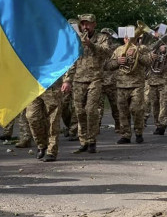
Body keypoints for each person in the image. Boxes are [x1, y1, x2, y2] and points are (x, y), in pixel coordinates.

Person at [62, 13, 110, 153]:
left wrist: (91, 44)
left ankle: (92, 141)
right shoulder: (75, 39)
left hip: (95, 79)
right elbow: (71, 62)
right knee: (80, 112)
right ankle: (83, 141)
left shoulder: (102, 38)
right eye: (83, 24)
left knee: (90, 110)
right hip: (78, 80)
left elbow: (106, 52)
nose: (85, 26)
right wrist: (67, 80)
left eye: (88, 24)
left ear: (94, 24)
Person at [107, 27, 152, 143]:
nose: (128, 39)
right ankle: (126, 134)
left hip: (136, 84)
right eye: (126, 37)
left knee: (136, 109)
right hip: (121, 84)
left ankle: (138, 132)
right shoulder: (118, 50)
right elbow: (108, 66)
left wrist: (137, 54)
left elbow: (148, 62)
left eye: (130, 37)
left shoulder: (141, 49)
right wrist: (118, 61)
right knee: (122, 111)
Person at [25, 80, 63, 161]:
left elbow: (66, 66)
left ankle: (51, 151)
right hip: (33, 85)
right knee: (32, 117)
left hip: (52, 84)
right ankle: (41, 144)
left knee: (53, 120)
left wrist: (67, 80)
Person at [146, 39, 167, 135]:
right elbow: (144, 58)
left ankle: (162, 124)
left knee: (164, 102)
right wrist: (150, 56)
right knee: (154, 103)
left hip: (164, 79)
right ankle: (157, 124)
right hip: (153, 79)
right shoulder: (151, 44)